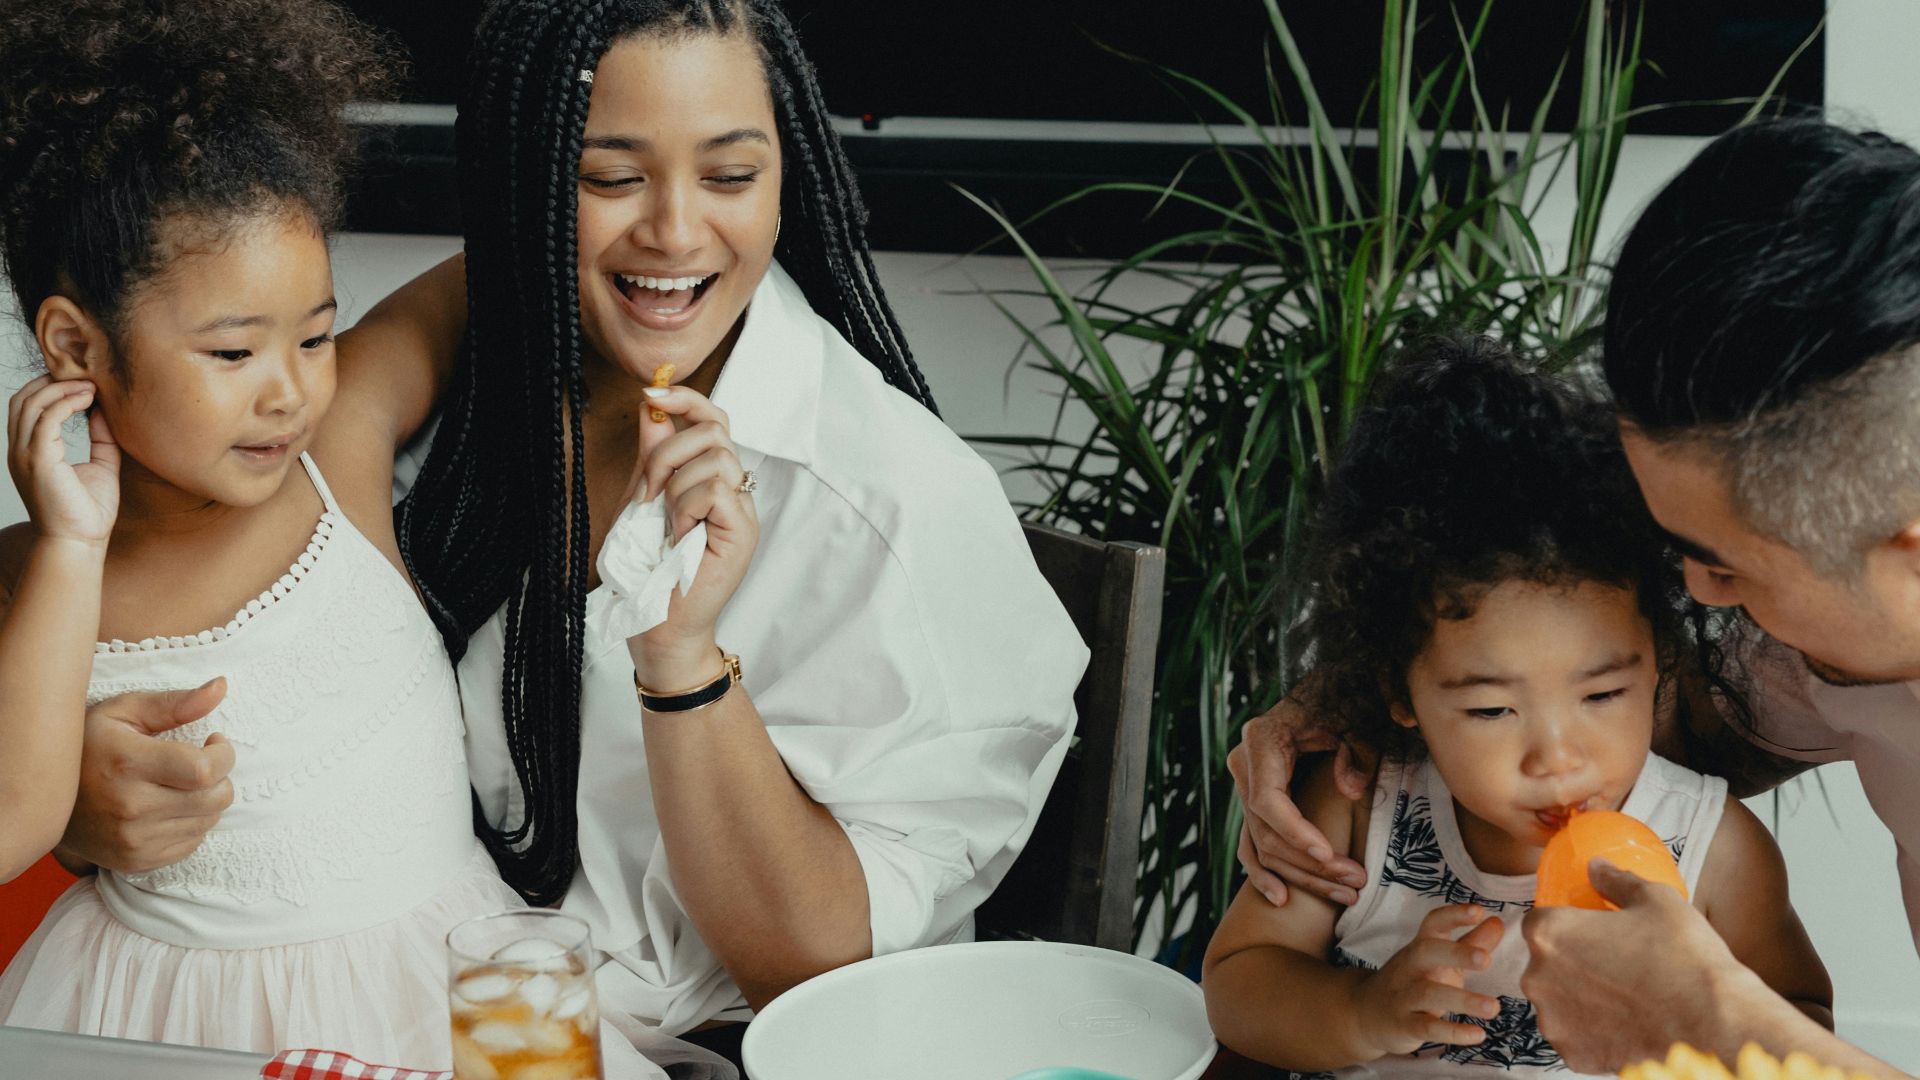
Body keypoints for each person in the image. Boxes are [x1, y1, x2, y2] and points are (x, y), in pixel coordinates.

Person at [55, 0, 1089, 1045]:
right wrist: (84, 802)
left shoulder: (891, 511)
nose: (678, 232)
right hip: (427, 1012)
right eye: (610, 178)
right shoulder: (436, 401)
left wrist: (682, 663)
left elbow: (808, 970)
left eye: (732, 175)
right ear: (525, 184)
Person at [0, 0, 635, 1071]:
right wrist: (69, 548)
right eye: (234, 353)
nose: (291, 391)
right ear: (76, 346)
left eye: (317, 334)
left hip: (440, 993)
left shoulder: (330, 468)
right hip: (155, 1018)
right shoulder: (30, 579)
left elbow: (507, 272)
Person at [1228, 118, 1920, 1079]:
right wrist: (1355, 699)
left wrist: (1714, 1024)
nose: (1696, 597)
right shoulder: (1807, 644)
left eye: (1725, 564)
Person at [1201, 338, 1829, 1076]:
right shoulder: (1359, 807)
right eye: (1493, 711)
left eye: (1601, 694)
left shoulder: (1714, 849)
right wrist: (1357, 1012)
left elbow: (1802, 1017)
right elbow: (1241, 980)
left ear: (1659, 661)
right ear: (1401, 694)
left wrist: (1692, 1032)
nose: (1557, 757)